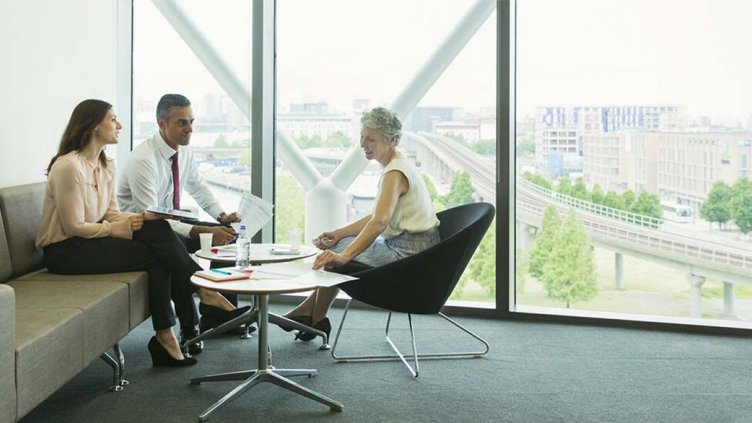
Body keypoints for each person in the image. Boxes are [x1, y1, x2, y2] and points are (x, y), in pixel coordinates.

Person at [36, 99, 248, 367]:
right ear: (92, 125)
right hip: (65, 251)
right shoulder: (68, 166)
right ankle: (200, 292)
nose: (119, 125)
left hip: (91, 241)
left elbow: (111, 212)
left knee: (157, 231)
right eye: (113, 119)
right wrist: (119, 228)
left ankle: (166, 336)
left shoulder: (105, 165)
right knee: (157, 248)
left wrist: (141, 219)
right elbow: (73, 227)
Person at [280, 107, 440, 341]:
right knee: (336, 247)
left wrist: (344, 255)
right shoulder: (398, 163)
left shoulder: (394, 173)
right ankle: (314, 317)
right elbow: (377, 215)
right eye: (362, 137)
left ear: (392, 140)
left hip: (410, 254)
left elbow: (379, 222)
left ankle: (312, 315)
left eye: (371, 139)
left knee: (335, 254)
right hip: (414, 247)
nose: (363, 144)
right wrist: (338, 233)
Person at [117, 93, 244, 322]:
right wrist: (202, 231)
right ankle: (197, 317)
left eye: (191, 121)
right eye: (181, 122)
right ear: (161, 123)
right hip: (143, 232)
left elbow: (197, 185)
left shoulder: (184, 151)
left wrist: (221, 216)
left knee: (228, 237)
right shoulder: (143, 160)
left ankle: (219, 318)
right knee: (173, 242)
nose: (190, 129)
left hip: (170, 224)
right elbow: (153, 217)